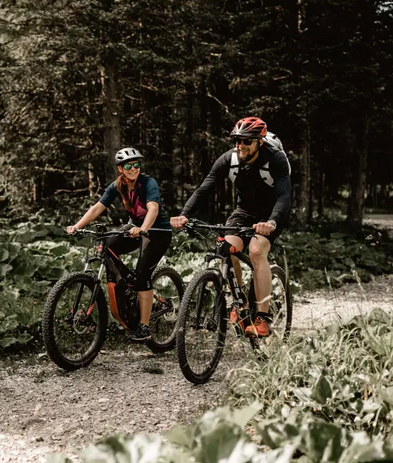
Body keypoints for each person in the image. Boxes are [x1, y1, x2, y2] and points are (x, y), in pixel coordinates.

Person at [170, 117, 291, 337]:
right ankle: (238, 302)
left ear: (259, 142)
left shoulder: (275, 159)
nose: (240, 145)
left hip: (271, 214)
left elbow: (284, 196)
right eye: (237, 140)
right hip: (244, 212)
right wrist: (184, 214)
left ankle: (262, 318)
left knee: (256, 250)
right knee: (226, 248)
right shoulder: (229, 159)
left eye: (246, 141)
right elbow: (204, 189)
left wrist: (272, 222)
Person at [66, 147, 173, 341]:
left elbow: (153, 209)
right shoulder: (117, 185)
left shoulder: (148, 183)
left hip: (157, 231)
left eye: (136, 164)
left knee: (142, 274)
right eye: (128, 166)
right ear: (120, 169)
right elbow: (98, 207)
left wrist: (143, 228)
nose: (133, 168)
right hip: (135, 228)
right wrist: (77, 226)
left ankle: (144, 327)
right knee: (108, 246)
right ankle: (125, 289)